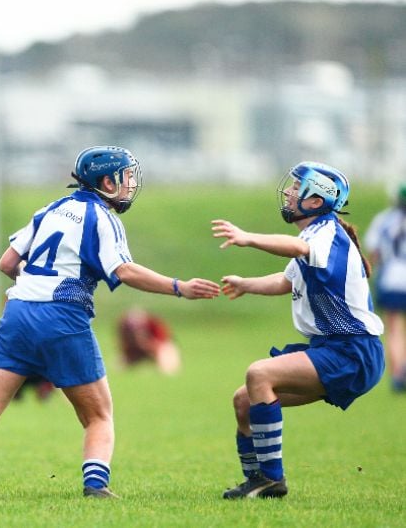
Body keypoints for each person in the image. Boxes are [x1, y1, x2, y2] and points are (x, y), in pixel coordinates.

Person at [0, 145, 221, 500]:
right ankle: (96, 486)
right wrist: (180, 288)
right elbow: (124, 271)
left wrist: (36, 285)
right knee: (99, 415)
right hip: (63, 315)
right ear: (106, 182)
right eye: (126, 178)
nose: (130, 185)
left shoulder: (51, 209)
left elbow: (7, 263)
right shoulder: (103, 218)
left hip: (19, 311)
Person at [212, 161, 384, 500]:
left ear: (316, 200)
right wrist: (246, 283)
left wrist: (248, 239)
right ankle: (255, 481)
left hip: (352, 351)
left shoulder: (325, 234)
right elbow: (285, 280)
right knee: (244, 401)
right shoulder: (316, 234)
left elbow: (298, 249)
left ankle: (271, 480)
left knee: (259, 373)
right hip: (332, 349)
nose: (289, 192)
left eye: (296, 187)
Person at [363, 182, 406, 392]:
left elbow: (374, 252)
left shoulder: (385, 219)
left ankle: (398, 375)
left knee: (394, 329)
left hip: (391, 279)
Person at [117, 308, 181, 374]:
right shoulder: (125, 329)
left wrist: (146, 344)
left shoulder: (154, 325)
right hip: (137, 350)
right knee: (121, 364)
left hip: (158, 348)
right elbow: (122, 345)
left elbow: (163, 343)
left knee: (167, 366)